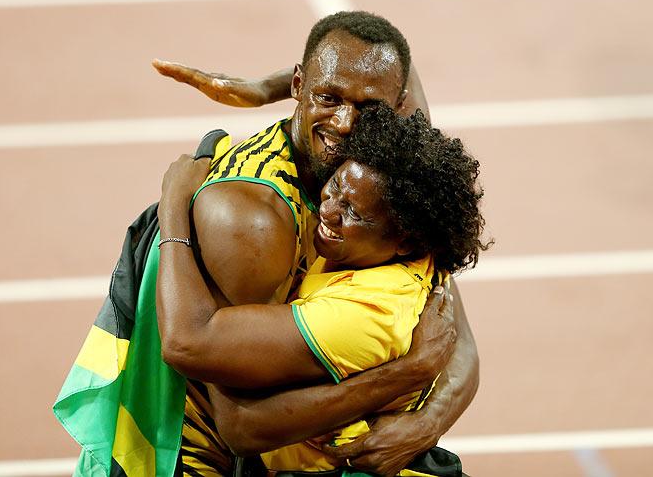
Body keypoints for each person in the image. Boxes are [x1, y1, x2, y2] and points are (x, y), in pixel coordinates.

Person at [54, 11, 478, 477]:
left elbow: (451, 327)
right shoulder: (253, 222)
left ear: (397, 107)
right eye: (327, 97)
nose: (345, 123)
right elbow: (239, 422)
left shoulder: (390, 170)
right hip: (202, 460)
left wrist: (428, 422)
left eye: (369, 107)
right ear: (303, 86)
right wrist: (408, 372)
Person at [156, 101, 488, 476]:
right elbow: (393, 72)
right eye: (333, 190)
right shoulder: (384, 240)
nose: (328, 212)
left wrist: (173, 208)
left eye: (352, 212)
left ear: (404, 242)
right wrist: (280, 84)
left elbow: (238, 422)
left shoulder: (365, 315)